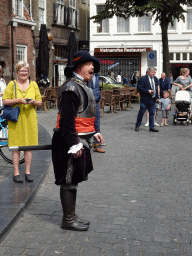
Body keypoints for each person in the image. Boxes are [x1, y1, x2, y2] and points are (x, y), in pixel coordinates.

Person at [52, 50, 104, 231]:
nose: (94, 69)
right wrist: (74, 144)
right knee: (68, 180)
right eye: (91, 65)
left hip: (79, 140)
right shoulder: (71, 88)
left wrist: (93, 133)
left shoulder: (82, 86)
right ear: (80, 66)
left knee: (73, 179)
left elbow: (83, 116)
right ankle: (68, 219)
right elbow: (66, 120)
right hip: (69, 142)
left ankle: (72, 216)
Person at [2, 61, 42, 183]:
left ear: (28, 72)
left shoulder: (33, 84)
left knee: (28, 146)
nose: (23, 73)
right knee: (16, 146)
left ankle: (28, 172)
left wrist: (33, 102)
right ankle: (16, 172)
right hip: (16, 120)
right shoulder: (11, 84)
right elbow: (4, 101)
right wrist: (18, 100)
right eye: (21, 71)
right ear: (17, 72)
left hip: (30, 119)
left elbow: (40, 102)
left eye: (25, 71)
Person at [135, 66, 159, 132]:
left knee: (152, 113)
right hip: (145, 99)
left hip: (152, 99)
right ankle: (137, 125)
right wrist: (147, 91)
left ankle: (151, 127)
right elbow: (140, 88)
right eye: (152, 72)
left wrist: (157, 97)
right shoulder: (143, 79)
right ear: (148, 72)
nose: (153, 74)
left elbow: (156, 88)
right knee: (141, 112)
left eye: (154, 72)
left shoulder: (155, 79)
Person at [89, 73, 105, 153]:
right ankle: (86, 144)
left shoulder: (97, 75)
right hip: (88, 101)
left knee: (97, 123)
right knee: (87, 122)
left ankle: (97, 145)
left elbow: (96, 87)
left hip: (96, 101)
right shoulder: (87, 75)